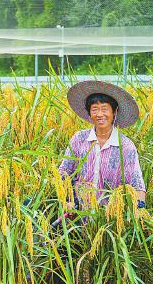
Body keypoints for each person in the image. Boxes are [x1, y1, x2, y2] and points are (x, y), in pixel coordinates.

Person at [59, 80, 146, 210]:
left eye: (104, 109)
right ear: (89, 113)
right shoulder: (79, 139)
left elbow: (137, 184)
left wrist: (140, 210)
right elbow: (64, 173)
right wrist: (66, 201)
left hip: (110, 218)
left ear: (114, 112)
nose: (100, 114)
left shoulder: (126, 146)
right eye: (94, 109)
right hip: (78, 216)